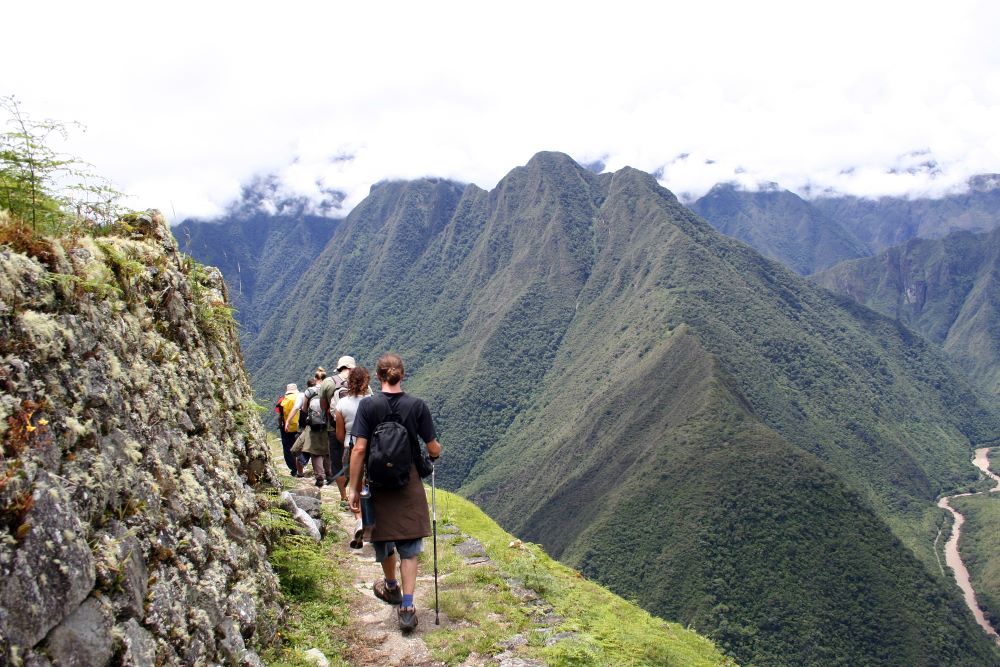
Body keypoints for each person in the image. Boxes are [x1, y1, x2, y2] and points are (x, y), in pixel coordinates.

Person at [349, 353, 441, 632]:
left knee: (383, 538)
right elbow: (433, 447)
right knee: (409, 546)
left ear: (378, 377)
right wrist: (433, 456)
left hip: (377, 483)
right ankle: (408, 607)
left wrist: (353, 488)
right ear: (403, 375)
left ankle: (391, 586)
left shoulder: (368, 406)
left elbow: (359, 449)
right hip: (407, 481)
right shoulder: (417, 406)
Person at [335, 366, 371, 548]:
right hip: (371, 448)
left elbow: (339, 434)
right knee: (368, 484)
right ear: (367, 382)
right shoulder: (372, 402)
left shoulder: (341, 404)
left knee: (355, 485)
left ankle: (359, 519)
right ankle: (370, 519)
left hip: (350, 447)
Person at [320, 356, 357, 505]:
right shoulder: (361, 381)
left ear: (340, 367)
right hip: (357, 430)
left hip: (334, 428)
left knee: (337, 463)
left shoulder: (328, 382)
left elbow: (323, 406)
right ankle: (357, 496)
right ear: (352, 367)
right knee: (357, 462)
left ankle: (343, 497)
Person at [285, 377, 331, 487]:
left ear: (308, 386)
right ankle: (329, 474)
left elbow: (303, 409)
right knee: (326, 451)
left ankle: (317, 476)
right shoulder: (326, 392)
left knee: (314, 452)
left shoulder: (306, 393)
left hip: (310, 427)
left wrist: (288, 421)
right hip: (326, 426)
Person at [275, 383, 304, 476]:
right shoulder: (301, 398)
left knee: (288, 448)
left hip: (286, 428)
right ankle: (301, 468)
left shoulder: (282, 400)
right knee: (300, 447)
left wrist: (280, 425)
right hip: (300, 427)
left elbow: (280, 416)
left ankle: (294, 469)